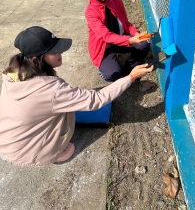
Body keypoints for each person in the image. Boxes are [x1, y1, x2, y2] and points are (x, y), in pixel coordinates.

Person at [0, 26, 153, 166]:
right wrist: (131, 77)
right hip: (24, 153)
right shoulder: (53, 91)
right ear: (36, 59)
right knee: (68, 149)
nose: (60, 53)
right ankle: (46, 154)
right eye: (54, 51)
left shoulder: (14, 73)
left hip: (6, 141)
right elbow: (97, 99)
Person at [84, 0, 151, 82]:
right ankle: (105, 68)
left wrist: (136, 34)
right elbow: (106, 36)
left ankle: (131, 66)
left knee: (144, 43)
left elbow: (126, 22)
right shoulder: (90, 12)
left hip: (120, 38)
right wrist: (130, 40)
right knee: (114, 75)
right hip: (104, 46)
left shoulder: (116, 0)